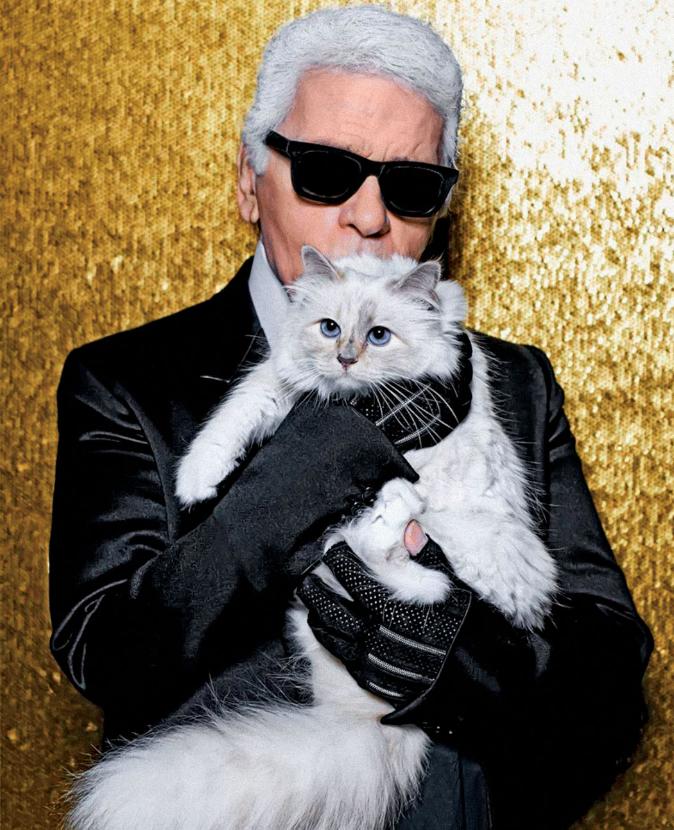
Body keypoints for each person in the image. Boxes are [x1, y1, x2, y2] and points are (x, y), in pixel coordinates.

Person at [48, 6, 653, 829]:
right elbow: (104, 653)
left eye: (410, 187)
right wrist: (321, 455)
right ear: (247, 181)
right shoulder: (124, 380)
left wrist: (461, 660)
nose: (370, 218)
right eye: (327, 172)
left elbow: (610, 674)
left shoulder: (515, 380)